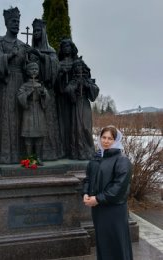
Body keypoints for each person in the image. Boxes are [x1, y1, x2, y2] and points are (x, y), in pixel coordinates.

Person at [82, 125, 133, 260]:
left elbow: (119, 187)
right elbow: (88, 178)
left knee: (116, 243)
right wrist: (86, 193)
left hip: (114, 209)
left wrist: (97, 199)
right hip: (98, 209)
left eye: (110, 138)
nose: (106, 141)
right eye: (103, 137)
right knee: (103, 243)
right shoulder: (96, 158)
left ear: (116, 140)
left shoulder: (122, 160)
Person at [0, 7, 28, 164]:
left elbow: (29, 65)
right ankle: (6, 155)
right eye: (13, 21)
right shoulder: (0, 42)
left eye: (18, 21)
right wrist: (8, 56)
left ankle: (23, 154)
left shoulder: (23, 45)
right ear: (6, 23)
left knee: (22, 117)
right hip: (7, 83)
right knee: (7, 117)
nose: (16, 24)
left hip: (22, 84)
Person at [29, 18, 63, 160]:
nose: (36, 33)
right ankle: (34, 154)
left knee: (49, 122)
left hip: (47, 91)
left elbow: (55, 67)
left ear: (43, 32)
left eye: (38, 31)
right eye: (34, 31)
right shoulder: (31, 50)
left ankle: (50, 152)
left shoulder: (50, 51)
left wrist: (41, 56)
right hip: (33, 92)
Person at [65, 57, 99, 160]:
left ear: (83, 67)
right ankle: (78, 152)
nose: (78, 68)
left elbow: (95, 90)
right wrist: (74, 86)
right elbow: (68, 90)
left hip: (84, 103)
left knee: (86, 127)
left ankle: (89, 151)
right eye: (76, 66)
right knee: (77, 128)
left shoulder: (87, 79)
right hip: (76, 105)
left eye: (80, 66)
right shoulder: (73, 80)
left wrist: (87, 85)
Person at [17, 62, 50, 165]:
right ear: (27, 71)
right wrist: (28, 93)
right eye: (32, 69)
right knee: (28, 136)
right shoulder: (24, 85)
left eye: (36, 69)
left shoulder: (40, 85)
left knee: (39, 136)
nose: (34, 71)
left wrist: (44, 94)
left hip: (39, 111)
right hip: (29, 112)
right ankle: (29, 159)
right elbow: (20, 97)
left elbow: (47, 99)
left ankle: (38, 158)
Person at [56, 38, 79, 157]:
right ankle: (63, 149)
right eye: (64, 47)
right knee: (62, 123)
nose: (66, 49)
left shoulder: (77, 62)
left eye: (68, 46)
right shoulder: (58, 63)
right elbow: (54, 81)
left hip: (73, 98)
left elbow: (82, 76)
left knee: (74, 122)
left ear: (72, 48)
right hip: (61, 97)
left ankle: (73, 149)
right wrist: (60, 73)